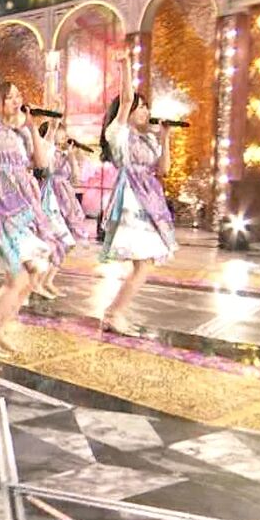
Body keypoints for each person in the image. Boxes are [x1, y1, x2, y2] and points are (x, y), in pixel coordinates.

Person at [0, 23, 64, 357]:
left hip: (25, 203)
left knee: (31, 275)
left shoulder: (21, 133)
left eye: (19, 97)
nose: (17, 101)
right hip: (3, 203)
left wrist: (35, 128)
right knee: (18, 277)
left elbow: (41, 163)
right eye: (10, 97)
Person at [98, 49, 178, 336]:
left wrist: (165, 139)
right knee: (143, 263)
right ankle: (113, 313)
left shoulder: (148, 140)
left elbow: (164, 169)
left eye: (146, 107)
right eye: (141, 107)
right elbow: (126, 97)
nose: (146, 111)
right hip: (132, 199)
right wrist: (126, 65)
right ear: (129, 110)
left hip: (151, 199)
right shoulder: (118, 134)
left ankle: (114, 313)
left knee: (145, 263)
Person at [33, 120, 91, 299]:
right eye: (61, 131)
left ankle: (47, 280)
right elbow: (47, 169)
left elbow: (76, 178)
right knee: (56, 242)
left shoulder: (65, 154)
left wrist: (72, 157)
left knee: (67, 243)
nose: (65, 136)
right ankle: (37, 282)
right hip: (49, 199)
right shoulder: (46, 150)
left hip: (66, 200)